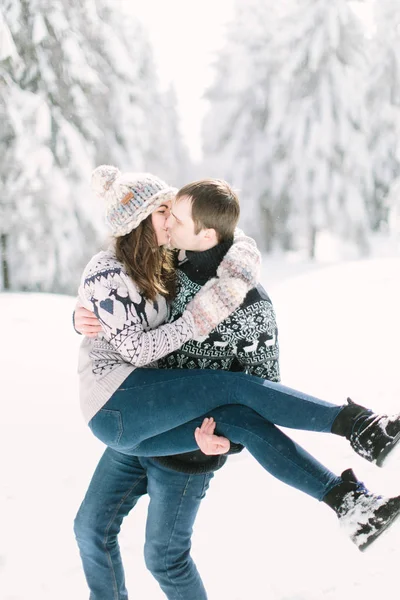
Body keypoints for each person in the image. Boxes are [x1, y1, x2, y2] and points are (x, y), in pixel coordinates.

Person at [74, 166, 400, 600]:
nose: (170, 220)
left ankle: (347, 501)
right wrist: (82, 317)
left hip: (180, 434)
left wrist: (225, 443)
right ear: (140, 223)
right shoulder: (160, 262)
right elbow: (128, 340)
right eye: (163, 212)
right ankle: (358, 426)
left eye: (176, 214)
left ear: (206, 236)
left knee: (233, 415)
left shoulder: (229, 290)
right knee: (95, 530)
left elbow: (238, 245)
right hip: (127, 405)